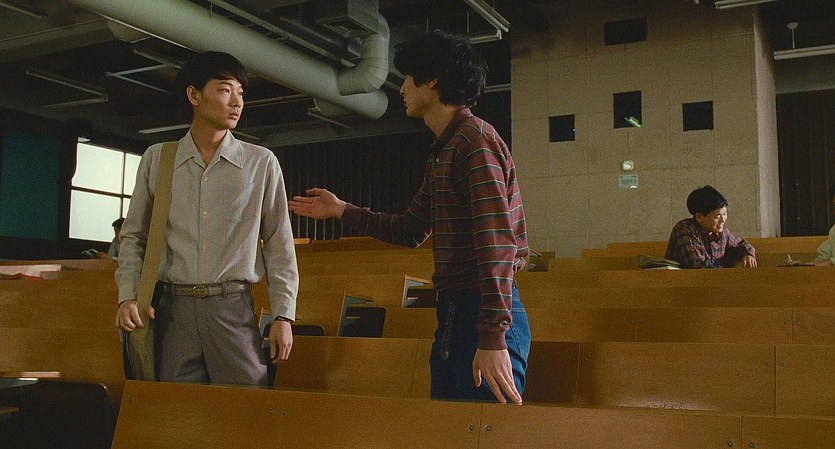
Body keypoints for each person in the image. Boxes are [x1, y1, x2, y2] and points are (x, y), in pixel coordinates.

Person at [288, 30, 530, 405]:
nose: (401, 88)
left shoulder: (474, 142)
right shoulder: (446, 148)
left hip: (483, 313)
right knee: (445, 430)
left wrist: (493, 337)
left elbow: (497, 243)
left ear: (431, 80)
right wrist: (342, 210)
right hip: (455, 312)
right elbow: (411, 229)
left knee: (484, 430)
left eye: (407, 77)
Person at [114, 51, 299, 386]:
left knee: (245, 406)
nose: (237, 102)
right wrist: (128, 295)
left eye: (240, 93)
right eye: (225, 90)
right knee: (177, 409)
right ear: (194, 95)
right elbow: (134, 236)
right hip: (175, 310)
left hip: (232, 306)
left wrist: (284, 315)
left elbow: (279, 242)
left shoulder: (261, 163)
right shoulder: (158, 159)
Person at [666, 185, 757, 268]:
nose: (723, 220)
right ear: (699, 217)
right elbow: (698, 265)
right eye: (717, 216)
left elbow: (742, 244)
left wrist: (747, 254)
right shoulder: (685, 229)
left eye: (724, 214)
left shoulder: (722, 233)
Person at [812, 183, 835, 266]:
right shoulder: (834, 231)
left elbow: (828, 262)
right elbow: (823, 259)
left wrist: (830, 262)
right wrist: (804, 265)